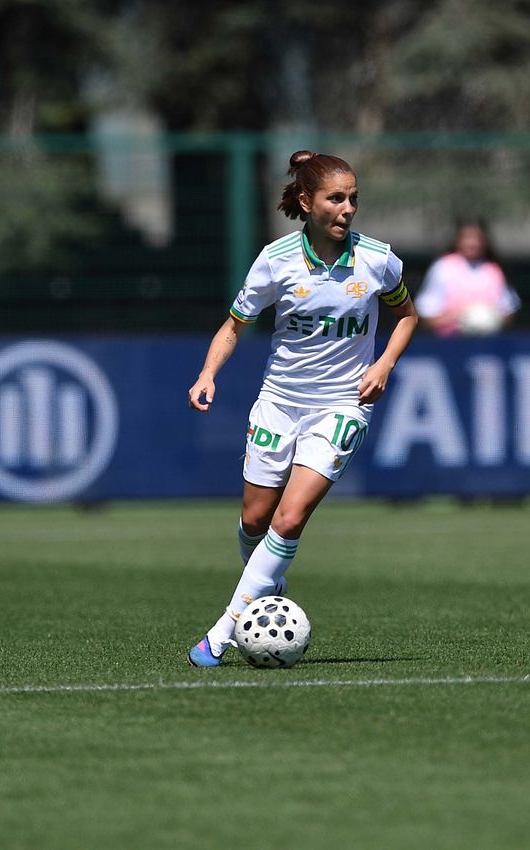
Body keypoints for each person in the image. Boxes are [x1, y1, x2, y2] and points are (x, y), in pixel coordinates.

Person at [185, 150, 418, 667]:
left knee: (289, 520)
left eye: (353, 198)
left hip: (342, 406)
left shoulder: (377, 259)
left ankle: (221, 633)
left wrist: (383, 365)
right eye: (336, 198)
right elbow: (234, 326)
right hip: (279, 403)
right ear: (308, 202)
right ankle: (268, 582)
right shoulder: (276, 259)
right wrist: (207, 374)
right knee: (255, 521)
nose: (348, 209)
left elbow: (407, 315)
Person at [414, 219, 520, 336]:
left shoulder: (494, 270)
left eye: (477, 238)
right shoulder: (442, 267)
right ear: (458, 240)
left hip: (489, 343)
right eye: (467, 238)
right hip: (450, 342)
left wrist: (490, 319)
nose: (472, 243)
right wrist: (458, 318)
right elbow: (425, 314)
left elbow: (509, 312)